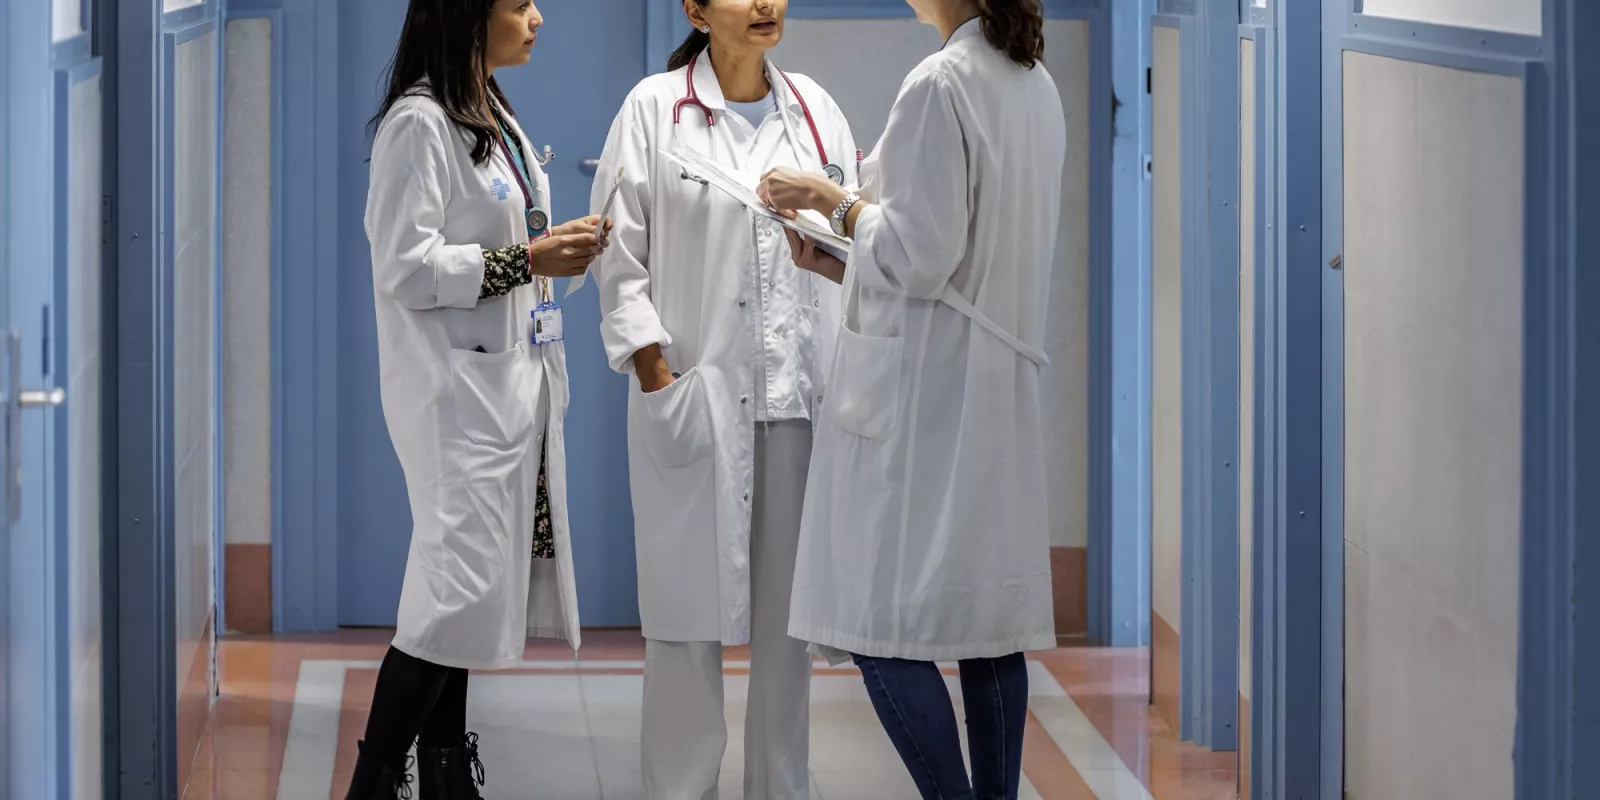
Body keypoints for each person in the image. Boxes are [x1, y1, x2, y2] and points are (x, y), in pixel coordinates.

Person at [757, 0, 1066, 796]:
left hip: (931, 400)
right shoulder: (1033, 83)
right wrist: (839, 264)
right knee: (988, 628)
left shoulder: (939, 83)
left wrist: (830, 201)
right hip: (990, 388)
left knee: (873, 622)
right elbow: (956, 260)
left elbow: (920, 253)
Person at [582, 0, 857, 795]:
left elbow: (853, 233)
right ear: (696, 10)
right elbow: (618, 254)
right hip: (698, 402)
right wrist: (654, 372)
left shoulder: (816, 113)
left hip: (797, 405)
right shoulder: (652, 109)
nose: (766, 3)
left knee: (788, 637)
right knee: (682, 627)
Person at [353, 0, 609, 797]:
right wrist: (527, 258)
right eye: (521, 4)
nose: (538, 18)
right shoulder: (418, 124)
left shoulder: (490, 110)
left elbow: (508, 238)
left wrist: (549, 258)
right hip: (453, 401)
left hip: (505, 389)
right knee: (451, 594)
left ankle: (444, 773)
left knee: (464, 599)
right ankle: (373, 780)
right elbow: (407, 265)